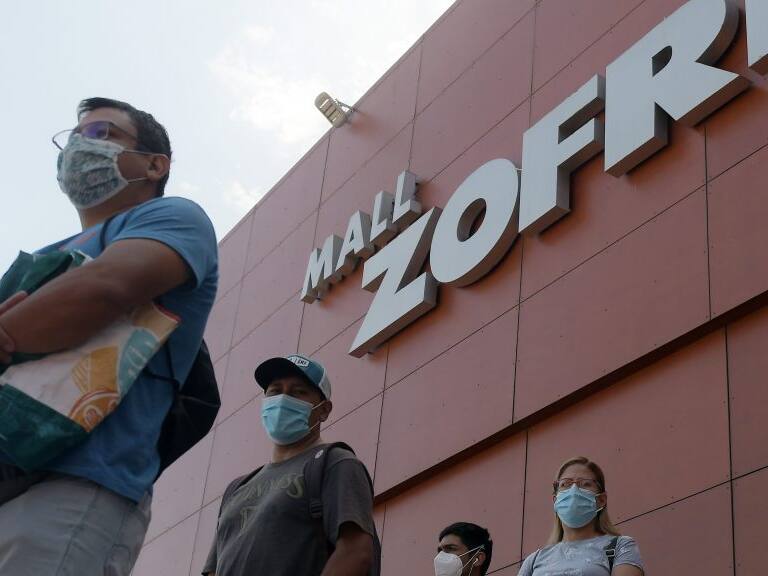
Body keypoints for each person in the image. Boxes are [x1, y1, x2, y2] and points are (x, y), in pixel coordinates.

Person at [0, 97, 218, 575]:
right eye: (73, 137)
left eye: (100, 134)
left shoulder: (175, 218)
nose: (80, 146)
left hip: (73, 487)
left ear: (154, 165)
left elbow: (103, 289)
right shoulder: (43, 252)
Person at [203, 353, 379, 576]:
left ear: (324, 410)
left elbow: (356, 551)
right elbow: (213, 570)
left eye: (298, 392)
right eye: (275, 391)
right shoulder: (236, 489)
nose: (283, 399)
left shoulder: (335, 463)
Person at [518, 457, 644, 576]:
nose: (574, 490)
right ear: (555, 500)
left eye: (585, 484)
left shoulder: (620, 547)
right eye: (565, 484)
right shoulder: (534, 560)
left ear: (601, 500)